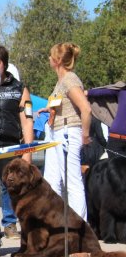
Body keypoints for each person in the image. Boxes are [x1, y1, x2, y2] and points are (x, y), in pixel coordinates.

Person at [0, 45, 34, 257]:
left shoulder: (19, 88)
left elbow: (27, 121)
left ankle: (28, 240)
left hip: (11, 147)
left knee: (19, 195)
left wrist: (28, 151)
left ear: (4, 63)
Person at [40, 42, 92, 219]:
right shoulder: (61, 81)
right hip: (57, 132)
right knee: (53, 180)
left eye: (51, 55)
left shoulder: (70, 79)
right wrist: (49, 109)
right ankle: (57, 224)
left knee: (72, 181)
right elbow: (63, 104)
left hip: (68, 132)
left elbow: (86, 108)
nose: (49, 58)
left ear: (58, 60)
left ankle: (80, 227)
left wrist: (85, 134)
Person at [87, 84, 126, 158]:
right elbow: (102, 91)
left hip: (116, 137)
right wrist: (86, 92)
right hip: (116, 139)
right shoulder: (122, 90)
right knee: (113, 164)